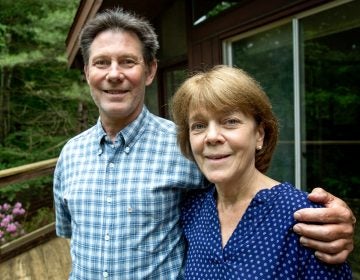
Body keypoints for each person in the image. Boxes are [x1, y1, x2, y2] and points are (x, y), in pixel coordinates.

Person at [53, 8, 355, 279]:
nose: (114, 74)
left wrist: (338, 219)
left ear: (150, 70)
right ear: (87, 73)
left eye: (128, 61)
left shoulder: (182, 146)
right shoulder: (70, 155)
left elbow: (247, 186)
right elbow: (72, 237)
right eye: (101, 62)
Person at [171, 65, 352, 279]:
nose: (211, 136)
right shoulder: (193, 210)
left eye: (230, 121)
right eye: (199, 125)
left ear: (259, 135)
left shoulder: (305, 216)